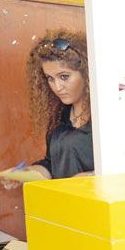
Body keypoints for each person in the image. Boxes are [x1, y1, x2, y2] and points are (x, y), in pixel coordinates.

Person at [25, 29, 93, 179]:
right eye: (50, 78)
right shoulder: (60, 115)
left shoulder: (103, 118)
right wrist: (27, 173)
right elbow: (52, 163)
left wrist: (92, 177)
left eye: (64, 77)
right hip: (62, 194)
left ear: (87, 73)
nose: (57, 87)